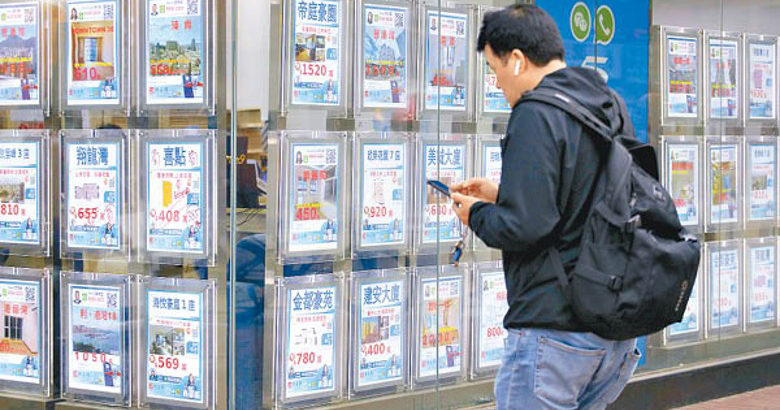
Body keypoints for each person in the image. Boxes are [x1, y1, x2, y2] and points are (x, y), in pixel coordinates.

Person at [449, 5, 640, 410]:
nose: (495, 81)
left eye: (494, 67)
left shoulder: (535, 112)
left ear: (517, 60)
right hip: (610, 327)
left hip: (555, 330)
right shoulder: (608, 102)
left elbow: (523, 226)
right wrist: (502, 193)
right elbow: (583, 197)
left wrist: (474, 214)